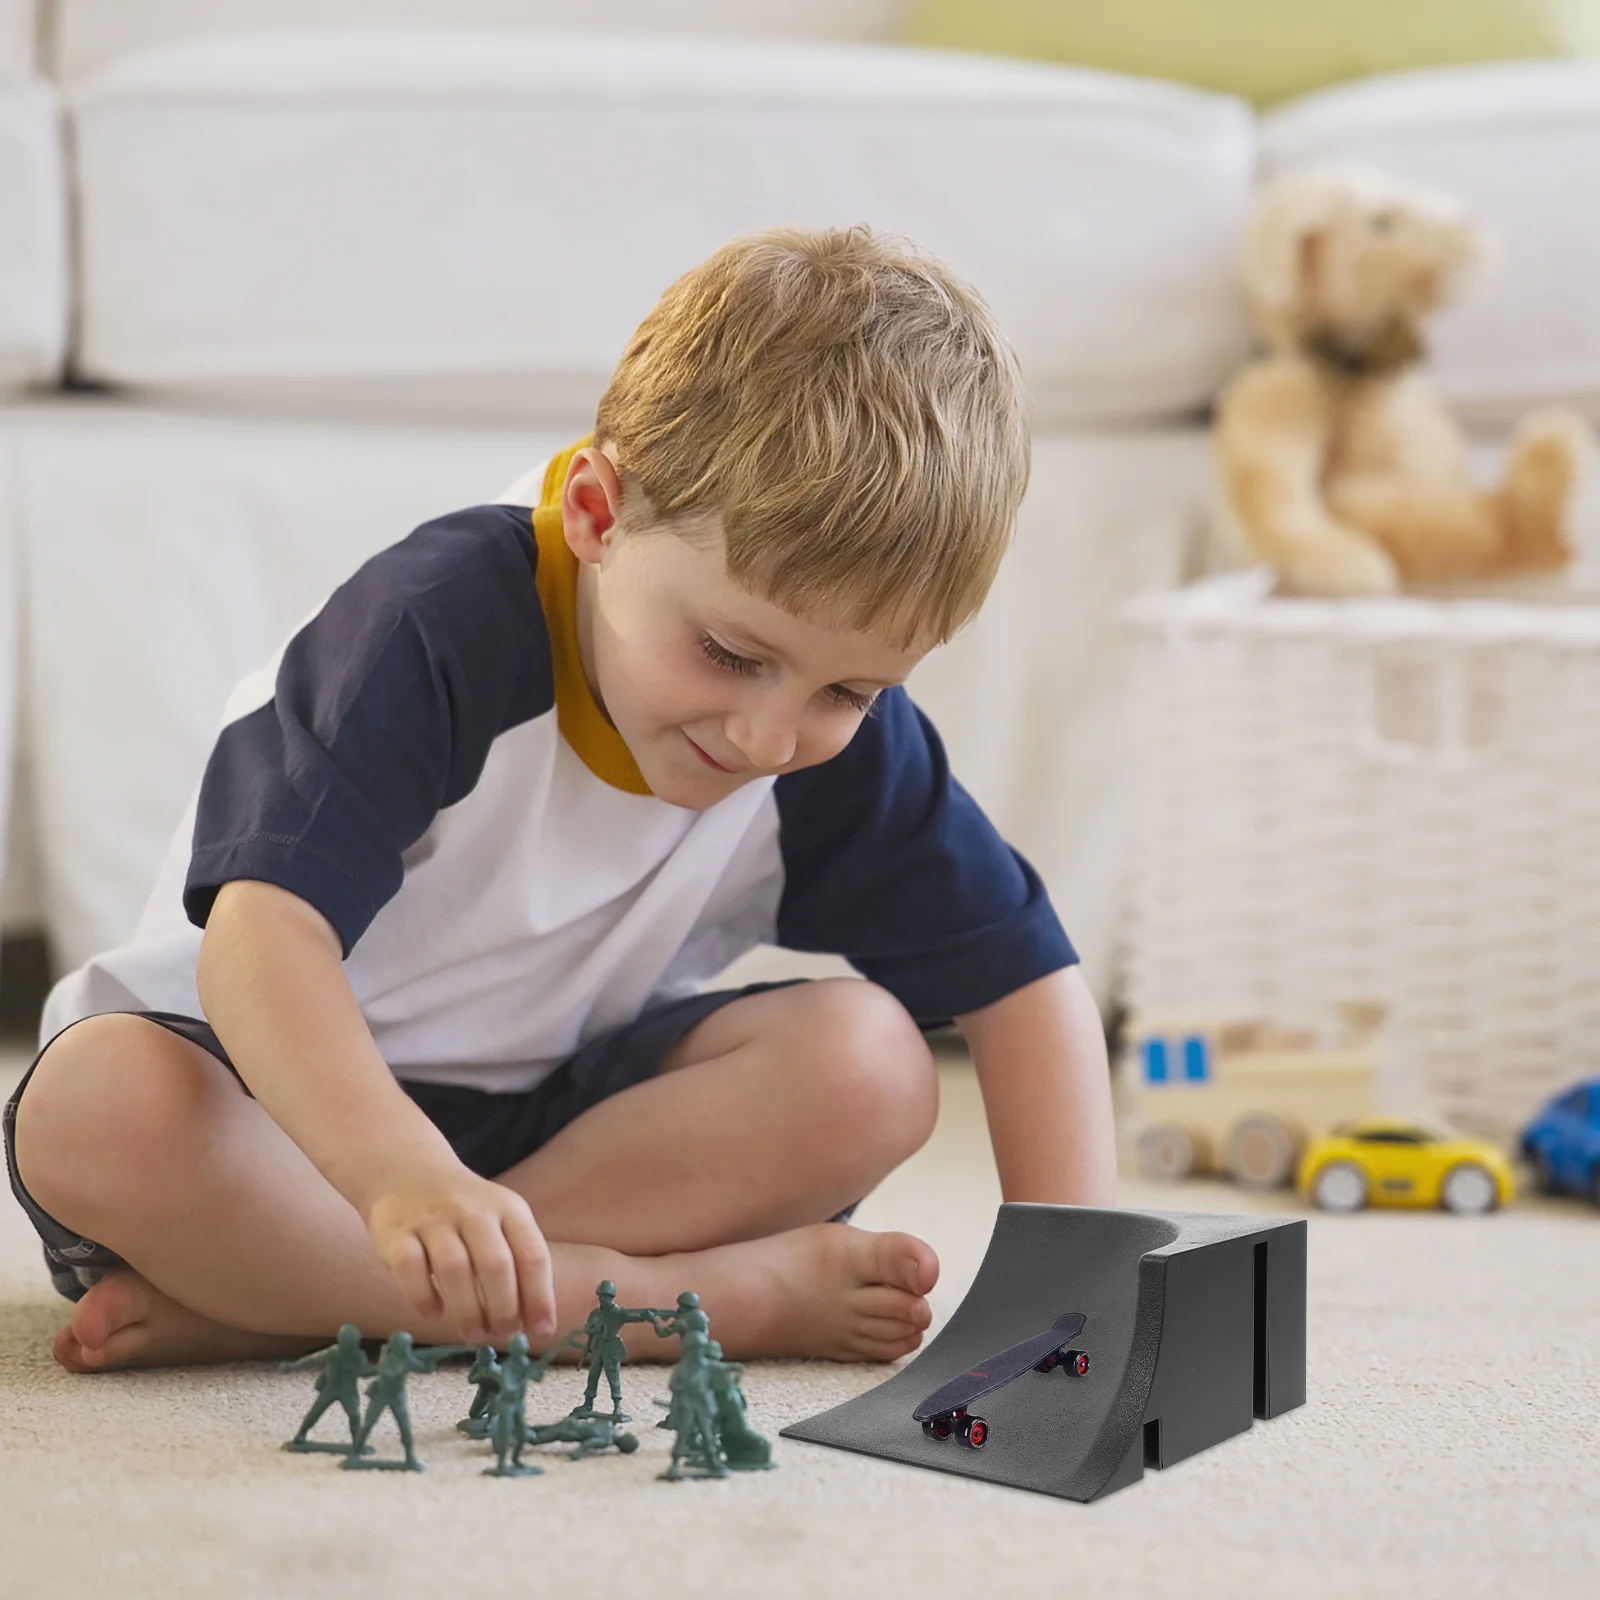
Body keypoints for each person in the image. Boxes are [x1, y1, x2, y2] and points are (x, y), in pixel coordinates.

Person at [4, 224, 1117, 1379]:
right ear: (596, 515)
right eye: (732, 653)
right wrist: (398, 1175)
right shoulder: (433, 624)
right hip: (271, 1111)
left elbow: (1026, 984)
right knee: (95, 1107)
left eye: (847, 688)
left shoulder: (826, 745)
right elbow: (258, 943)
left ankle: (309, 1307)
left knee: (873, 1064)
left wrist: (1075, 1291)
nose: (768, 736)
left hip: (552, 1123)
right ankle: (669, 1305)